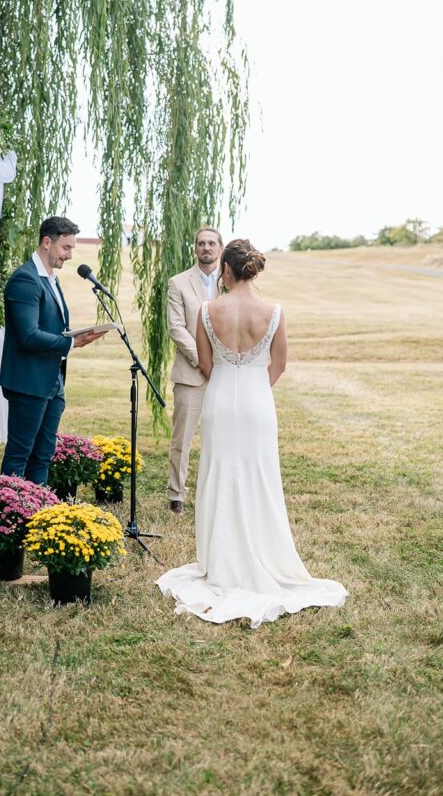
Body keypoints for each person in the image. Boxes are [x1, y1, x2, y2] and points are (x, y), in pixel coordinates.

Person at [156, 239, 347, 627]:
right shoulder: (274, 312)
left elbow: (206, 363)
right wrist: (256, 390)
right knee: (260, 477)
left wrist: (229, 383)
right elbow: (279, 365)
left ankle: (218, 561)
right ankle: (263, 551)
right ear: (252, 270)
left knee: (219, 474)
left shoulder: (209, 310)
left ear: (226, 270)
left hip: (220, 402)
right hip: (259, 405)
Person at [0, 216, 102, 484]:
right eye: (66, 248)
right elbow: (28, 335)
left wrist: (75, 335)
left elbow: (51, 326)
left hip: (52, 381)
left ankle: (38, 514)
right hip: (28, 382)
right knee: (20, 454)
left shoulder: (50, 279)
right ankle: (8, 515)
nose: (70, 255)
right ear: (47, 242)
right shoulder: (26, 280)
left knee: (43, 454)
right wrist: (70, 342)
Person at [166, 227, 223, 514]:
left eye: (212, 243)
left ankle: (217, 495)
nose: (206, 247)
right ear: (195, 248)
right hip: (191, 375)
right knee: (182, 440)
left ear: (220, 248)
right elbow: (176, 327)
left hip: (225, 374)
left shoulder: (231, 283)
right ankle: (177, 495)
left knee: (222, 437)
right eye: (201, 243)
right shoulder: (178, 283)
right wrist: (202, 359)